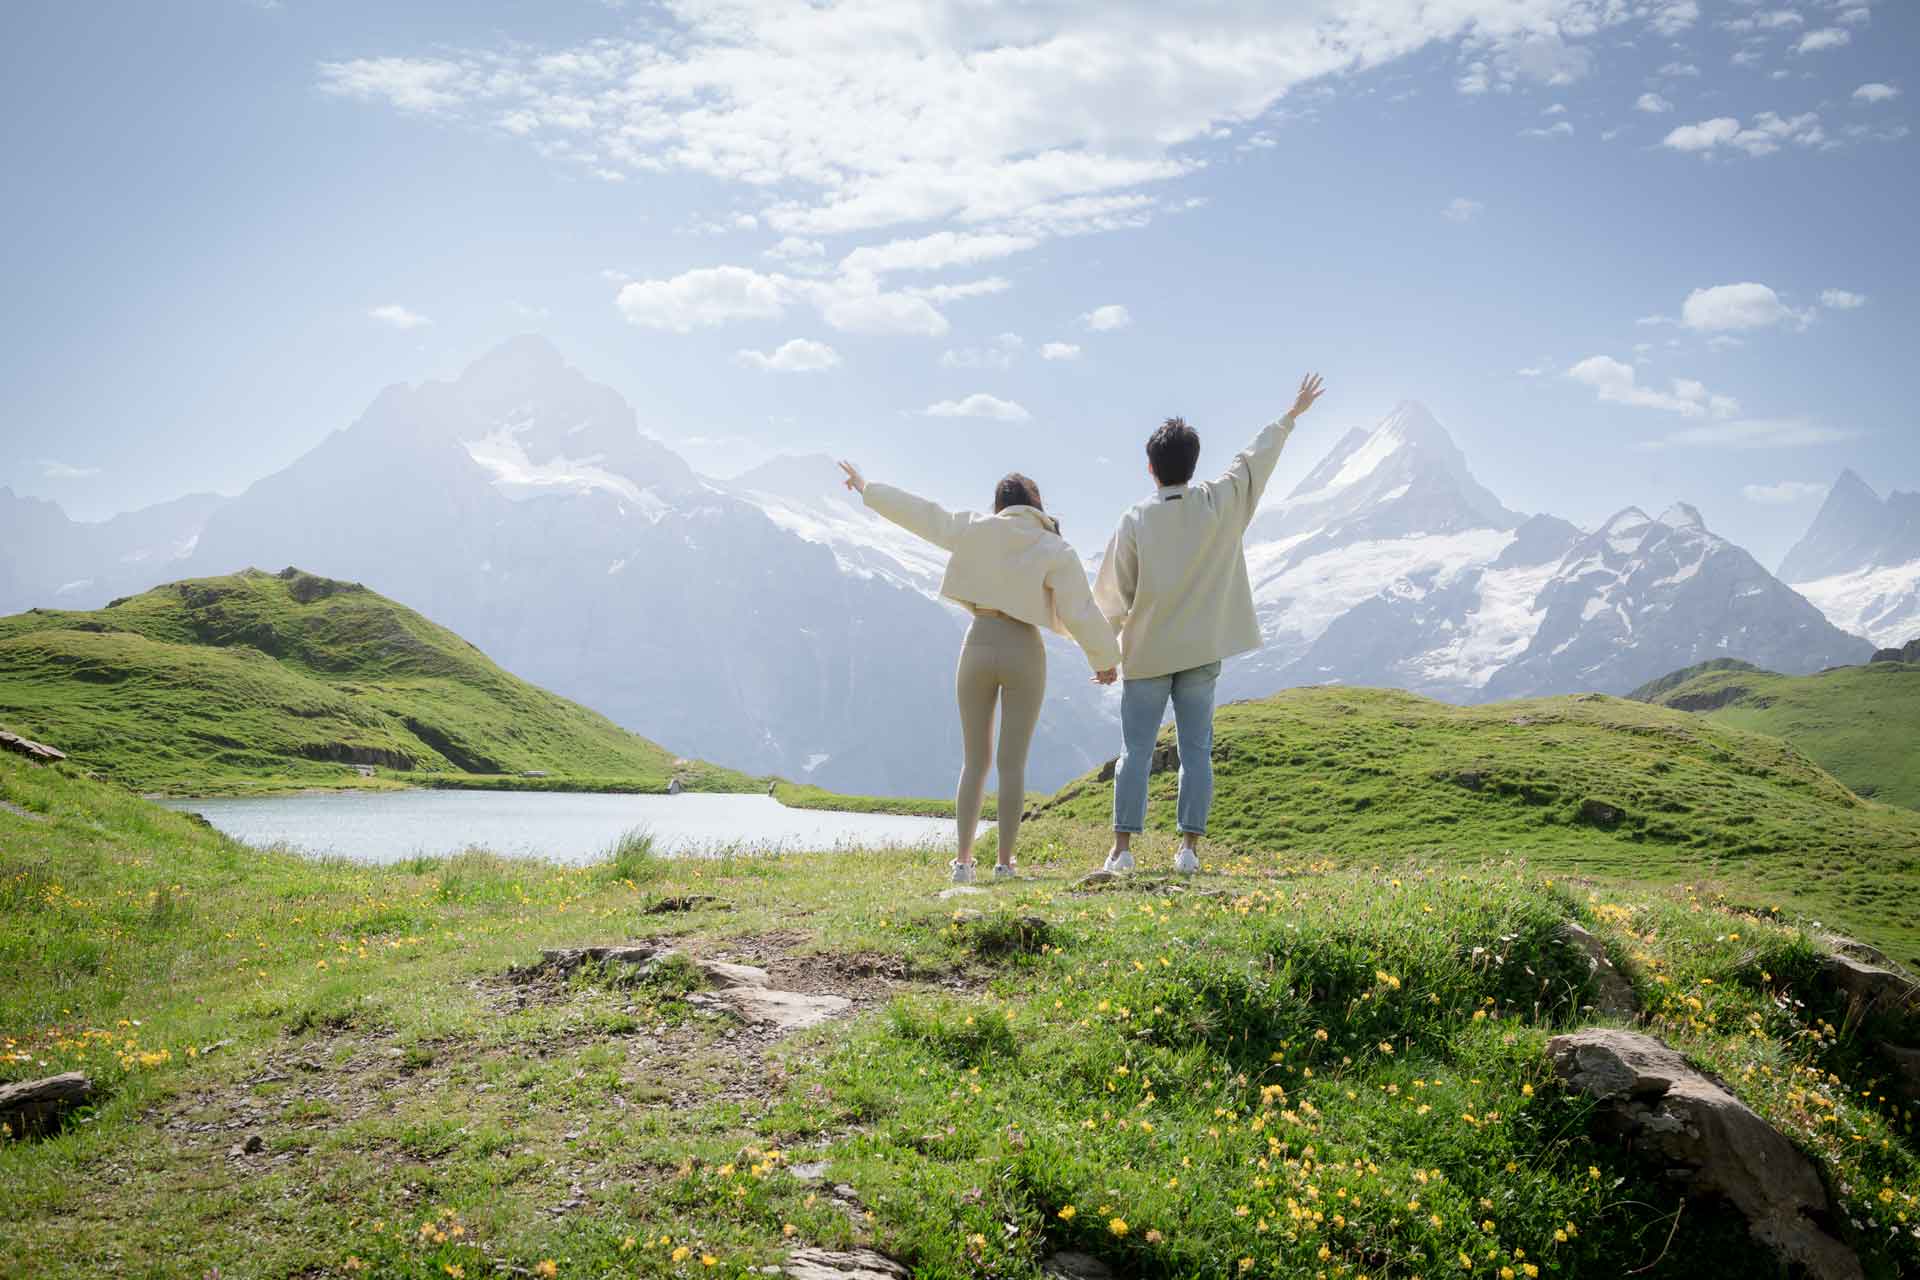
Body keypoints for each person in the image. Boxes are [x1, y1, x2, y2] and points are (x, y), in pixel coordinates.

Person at [839, 462, 1120, 883]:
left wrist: (867, 488)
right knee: (1012, 764)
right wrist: (1103, 660)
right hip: (1024, 648)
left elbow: (922, 514)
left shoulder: (976, 528)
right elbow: (1079, 610)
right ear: (1036, 506)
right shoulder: (1054, 547)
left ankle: (963, 863)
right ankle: (1005, 863)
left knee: (974, 762)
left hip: (978, 641)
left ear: (999, 505)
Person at [1093, 373, 1326, 875]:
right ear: (1193, 464)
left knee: (1134, 750)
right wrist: (1290, 415)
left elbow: (1116, 595)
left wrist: (1103, 654)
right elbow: (1254, 459)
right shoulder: (1220, 502)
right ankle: (1189, 851)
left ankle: (1122, 851)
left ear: (1151, 469)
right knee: (1197, 751)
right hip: (1201, 651)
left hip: (1148, 653)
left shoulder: (1134, 519)